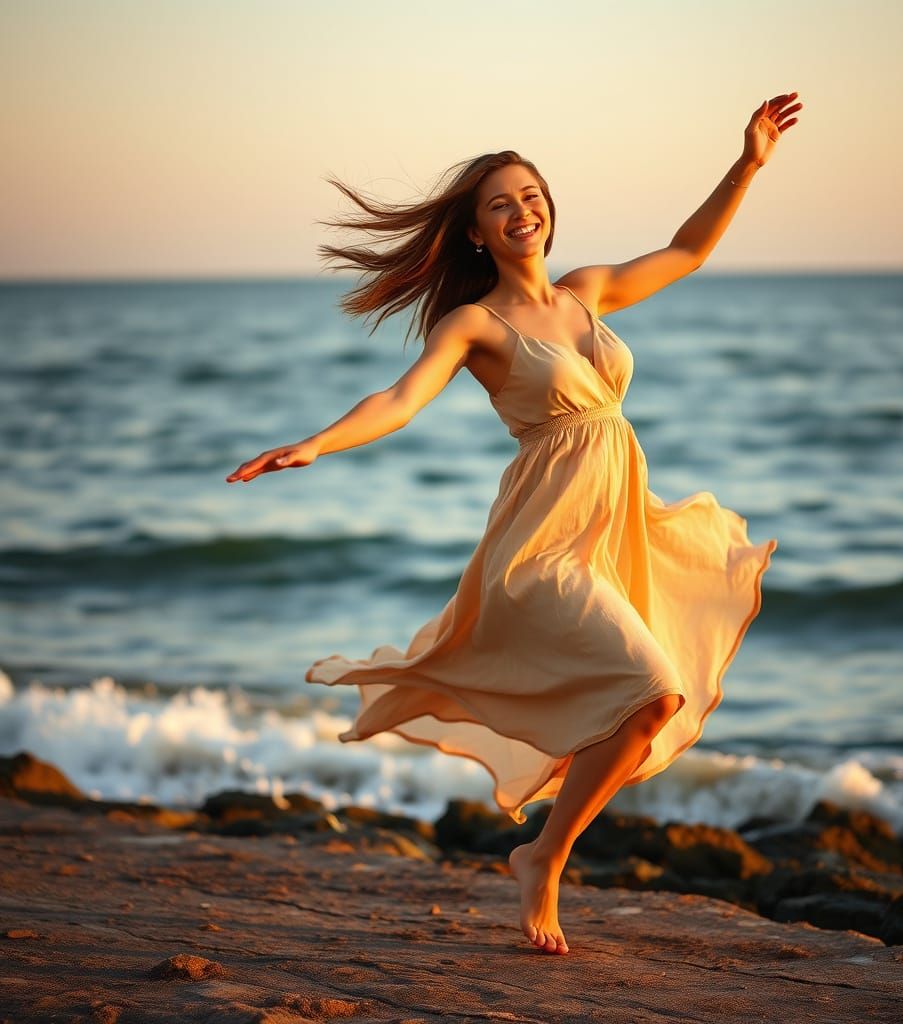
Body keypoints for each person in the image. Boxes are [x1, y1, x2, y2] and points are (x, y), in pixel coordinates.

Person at [226, 92, 799, 955]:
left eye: (530, 195)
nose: (520, 210)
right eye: (500, 204)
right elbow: (399, 398)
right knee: (656, 692)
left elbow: (686, 251)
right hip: (541, 546)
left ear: (548, 210)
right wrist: (317, 443)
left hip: (613, 529)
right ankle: (545, 860)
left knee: (643, 710)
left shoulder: (588, 293)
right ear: (477, 234)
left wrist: (748, 162)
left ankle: (541, 849)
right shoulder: (475, 323)